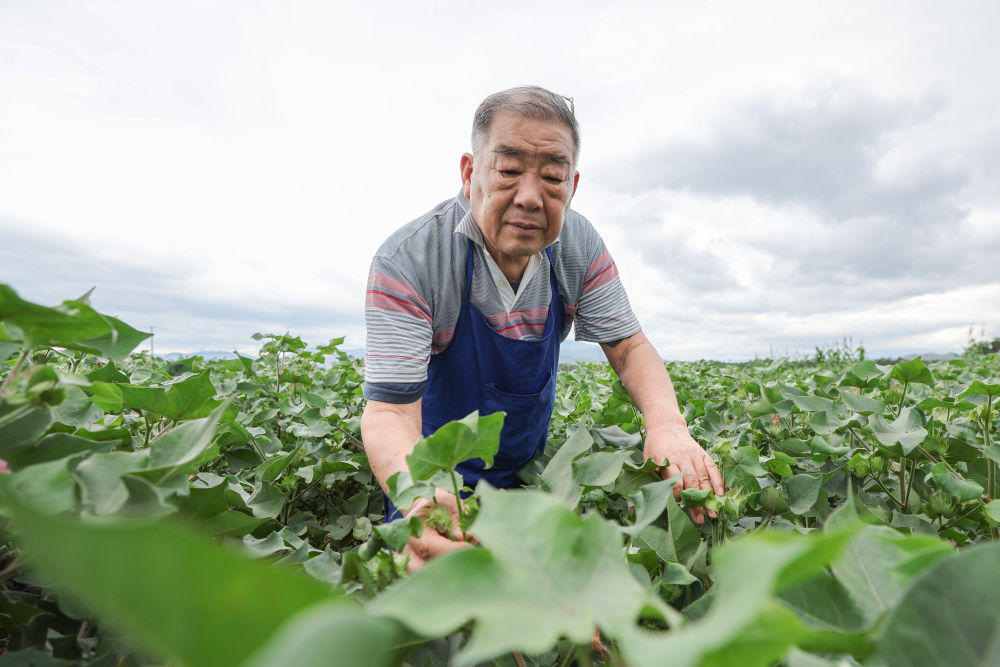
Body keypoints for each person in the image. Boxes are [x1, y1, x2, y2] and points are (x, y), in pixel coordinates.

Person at [360, 85, 723, 570]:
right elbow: (390, 414)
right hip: (430, 476)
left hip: (531, 472)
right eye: (508, 171)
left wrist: (667, 425)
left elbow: (629, 347)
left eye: (553, 176)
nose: (530, 198)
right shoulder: (411, 260)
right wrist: (419, 499)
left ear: (573, 185)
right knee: (438, 592)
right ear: (470, 174)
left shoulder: (576, 246)